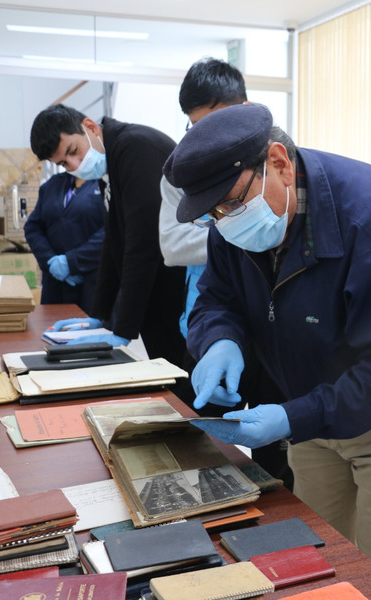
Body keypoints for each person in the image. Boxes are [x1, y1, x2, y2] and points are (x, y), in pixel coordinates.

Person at [164, 103, 371, 598]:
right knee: (314, 555)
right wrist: (218, 342)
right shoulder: (232, 217)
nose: (225, 221)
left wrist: (293, 416)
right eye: (212, 214)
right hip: (307, 402)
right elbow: (217, 299)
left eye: (231, 204)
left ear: (278, 162)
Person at [159, 57, 293, 489]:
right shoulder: (184, 173)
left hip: (278, 334)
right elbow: (173, 246)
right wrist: (218, 341)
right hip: (219, 326)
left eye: (217, 122)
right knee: (205, 455)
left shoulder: (280, 166)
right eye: (196, 127)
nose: (207, 139)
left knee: (276, 462)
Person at [29, 105, 186, 366]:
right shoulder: (109, 160)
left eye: (73, 151)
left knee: (183, 380)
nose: (75, 166)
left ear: (90, 127)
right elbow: (114, 240)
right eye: (64, 164)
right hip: (158, 286)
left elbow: (142, 245)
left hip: (178, 287)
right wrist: (98, 314)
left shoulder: (134, 148)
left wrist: (122, 330)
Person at [24, 172, 104, 314]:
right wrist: (50, 260)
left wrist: (72, 261)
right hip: (55, 284)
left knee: (91, 330)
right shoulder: (52, 185)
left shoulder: (106, 184)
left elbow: (112, 231)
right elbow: (33, 228)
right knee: (53, 330)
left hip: (93, 282)